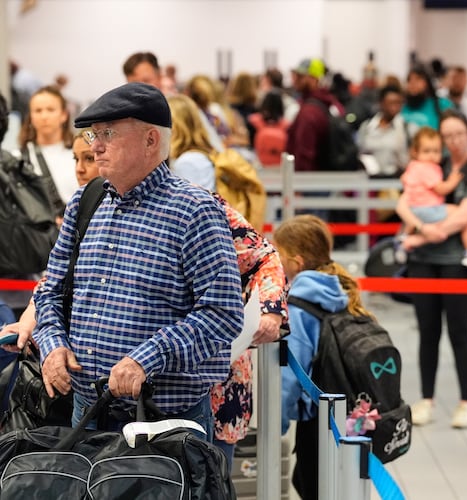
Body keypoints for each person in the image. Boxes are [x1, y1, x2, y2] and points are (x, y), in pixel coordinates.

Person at [31, 82, 245, 437]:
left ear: (150, 140)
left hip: (162, 421)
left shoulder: (194, 211)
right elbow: (50, 292)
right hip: (86, 413)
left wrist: (147, 358)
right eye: (93, 134)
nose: (95, 145)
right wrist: (52, 345)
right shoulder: (86, 202)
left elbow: (222, 314)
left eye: (108, 134)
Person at [167, 93, 288, 467]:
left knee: (211, 476)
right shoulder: (104, 205)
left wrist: (269, 311)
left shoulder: (201, 196)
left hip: (218, 370)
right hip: (157, 383)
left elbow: (262, 256)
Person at [396, 109, 467, 429]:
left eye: (458, 134)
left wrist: (430, 231)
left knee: (459, 331)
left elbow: (466, 214)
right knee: (427, 330)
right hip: (424, 259)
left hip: (459, 264)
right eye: (446, 135)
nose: (453, 141)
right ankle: (427, 399)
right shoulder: (434, 165)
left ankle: (465, 402)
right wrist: (422, 229)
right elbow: (405, 201)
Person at [273, 214, 372, 500]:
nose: (276, 261)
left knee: (312, 485)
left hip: (318, 416)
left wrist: (274, 425)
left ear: (297, 261)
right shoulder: (337, 290)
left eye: (279, 253)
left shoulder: (301, 306)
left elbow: (291, 376)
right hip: (347, 410)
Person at [397, 126, 467, 271]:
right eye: (427, 151)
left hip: (417, 213)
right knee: (460, 214)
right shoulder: (429, 168)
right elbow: (441, 189)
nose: (432, 155)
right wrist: (453, 182)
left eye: (436, 151)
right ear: (415, 151)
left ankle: (405, 238)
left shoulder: (413, 167)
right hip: (428, 211)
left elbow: (405, 196)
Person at [17, 85, 78, 219]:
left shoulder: (80, 155)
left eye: (50, 110)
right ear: (31, 116)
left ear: (64, 115)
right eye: (38, 110)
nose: (44, 116)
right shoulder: (18, 159)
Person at [286, 58, 341, 171]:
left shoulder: (309, 112)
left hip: (310, 181)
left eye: (301, 76)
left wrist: (299, 184)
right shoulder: (331, 104)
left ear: (314, 79)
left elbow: (304, 154)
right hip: (325, 178)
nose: (295, 80)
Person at [357, 84, 417, 178]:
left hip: (397, 180)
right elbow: (361, 152)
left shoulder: (408, 128)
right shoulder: (367, 127)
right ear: (381, 103)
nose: (394, 107)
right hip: (371, 181)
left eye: (398, 103)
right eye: (390, 103)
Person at [401, 64, 454, 130]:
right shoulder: (402, 107)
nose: (413, 83)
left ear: (427, 82)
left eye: (418, 79)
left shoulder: (442, 105)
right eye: (409, 79)